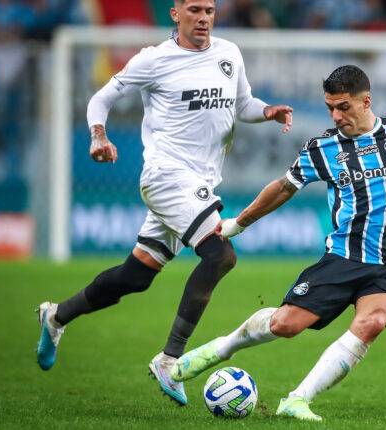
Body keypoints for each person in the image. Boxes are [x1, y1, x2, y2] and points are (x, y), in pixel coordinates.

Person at [170, 65, 386, 421]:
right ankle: (222, 348)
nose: (336, 115)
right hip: (341, 258)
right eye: (330, 108)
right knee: (285, 325)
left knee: (371, 323)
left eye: (343, 107)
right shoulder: (323, 148)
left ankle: (297, 399)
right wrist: (237, 224)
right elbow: (283, 187)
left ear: (366, 101)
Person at [34, 0, 293, 406]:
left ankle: (56, 316)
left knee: (135, 277)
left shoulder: (229, 54)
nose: (204, 17)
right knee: (220, 255)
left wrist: (268, 111)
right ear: (175, 14)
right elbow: (100, 98)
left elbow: (243, 105)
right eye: (194, 9)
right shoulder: (154, 60)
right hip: (167, 177)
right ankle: (169, 359)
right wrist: (98, 135)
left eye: (209, 9)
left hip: (200, 180)